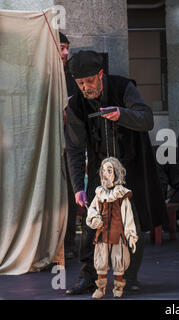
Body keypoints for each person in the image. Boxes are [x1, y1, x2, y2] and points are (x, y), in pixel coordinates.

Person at [64, 50, 167, 295]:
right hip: (101, 172)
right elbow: (75, 148)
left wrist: (122, 114)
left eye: (90, 81)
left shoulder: (123, 88)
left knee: (132, 225)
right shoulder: (76, 104)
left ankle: (128, 277)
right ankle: (88, 276)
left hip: (131, 166)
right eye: (80, 83)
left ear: (101, 75)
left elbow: (146, 118)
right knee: (91, 226)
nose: (86, 87)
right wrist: (78, 186)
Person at [87, 157, 137, 299]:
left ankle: (118, 288)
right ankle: (100, 288)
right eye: (103, 170)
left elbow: (128, 216)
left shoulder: (121, 194)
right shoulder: (99, 193)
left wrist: (131, 235)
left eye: (109, 171)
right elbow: (92, 209)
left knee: (119, 260)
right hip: (102, 232)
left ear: (116, 173)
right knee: (101, 260)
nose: (105, 174)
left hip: (117, 232)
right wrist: (94, 218)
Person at [59, 32, 79, 260]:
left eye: (67, 48)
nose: (66, 53)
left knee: (70, 190)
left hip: (68, 140)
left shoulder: (71, 75)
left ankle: (69, 242)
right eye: (62, 48)